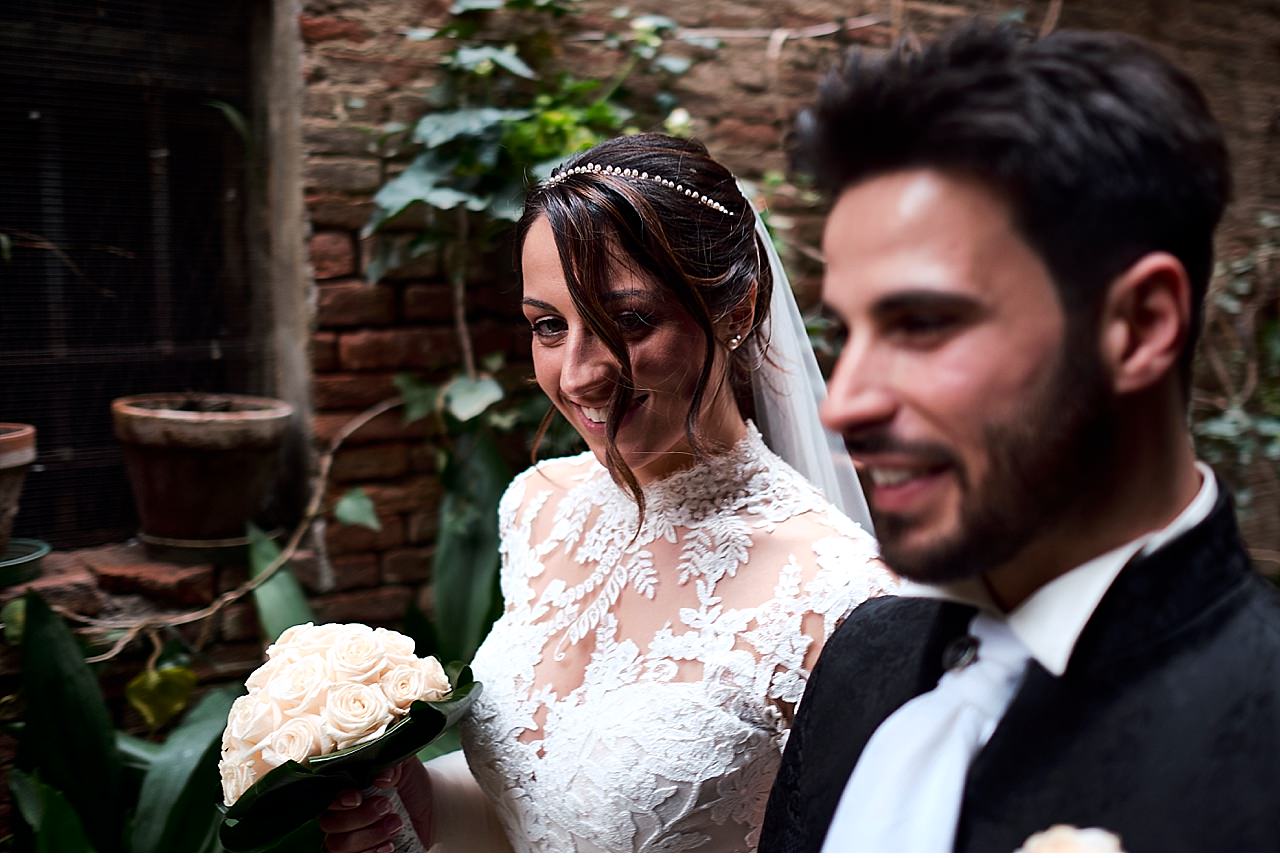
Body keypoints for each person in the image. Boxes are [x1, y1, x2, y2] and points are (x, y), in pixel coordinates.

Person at [759, 21, 1280, 852]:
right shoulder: (861, 659)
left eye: (922, 323)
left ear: (1140, 326)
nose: (842, 405)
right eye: (845, 334)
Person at [320, 133, 894, 852]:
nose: (580, 375)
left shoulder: (839, 596)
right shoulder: (538, 507)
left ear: (738, 312)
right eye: (550, 327)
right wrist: (421, 798)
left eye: (628, 321)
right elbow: (534, 804)